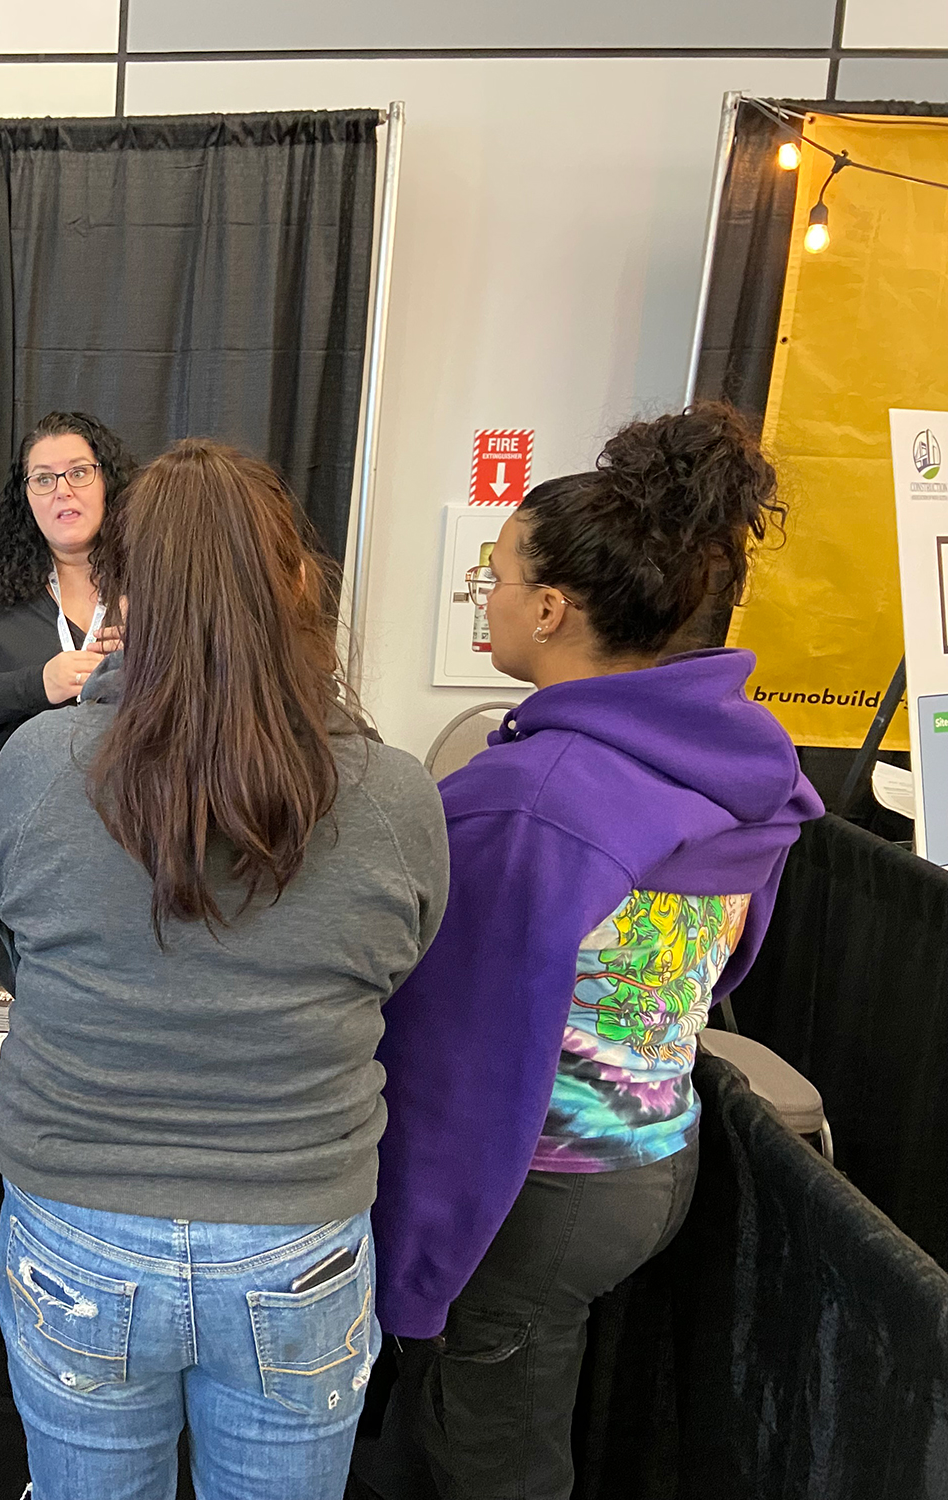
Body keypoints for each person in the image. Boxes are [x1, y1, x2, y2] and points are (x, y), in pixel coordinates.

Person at [0, 438, 450, 1499]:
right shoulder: (395, 798)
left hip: (77, 1231)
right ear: (295, 583)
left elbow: (16, 955)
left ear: (120, 592)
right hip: (297, 1238)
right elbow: (395, 972)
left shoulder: (37, 770)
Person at [372, 403, 823, 1500]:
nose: (484, 592)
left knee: (497, 1453)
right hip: (657, 1157)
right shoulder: (737, 770)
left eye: (496, 573)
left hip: (540, 1192)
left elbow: (444, 1043)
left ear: (550, 605)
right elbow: (716, 969)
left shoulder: (525, 800)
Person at [0, 410, 135, 980]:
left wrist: (153, 653)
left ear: (109, 480)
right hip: (19, 853)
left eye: (78, 472)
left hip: (137, 847)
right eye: (42, 478)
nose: (61, 489)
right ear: (26, 498)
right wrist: (35, 684)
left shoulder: (158, 588)